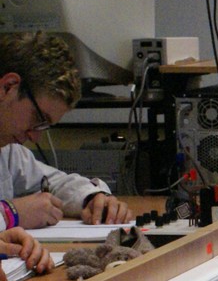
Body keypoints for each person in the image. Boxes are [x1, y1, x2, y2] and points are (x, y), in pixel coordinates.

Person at [0, 32, 132, 230]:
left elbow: (52, 183)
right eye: (38, 118)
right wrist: (10, 214)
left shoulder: (7, 149)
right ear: (8, 87)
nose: (35, 137)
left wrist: (93, 198)